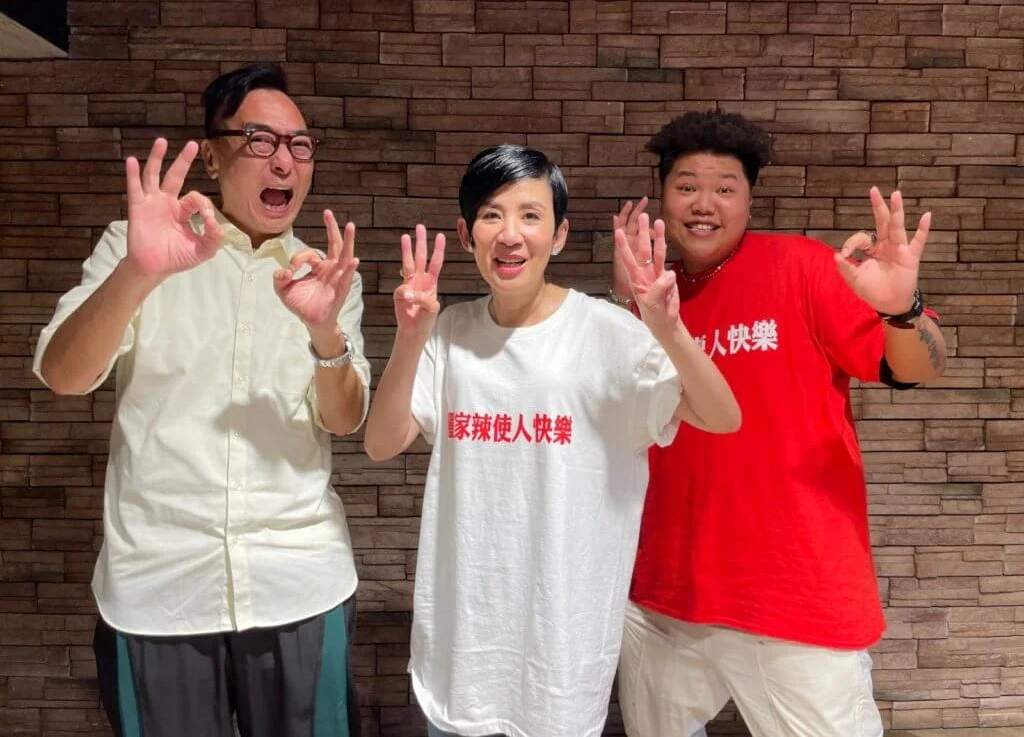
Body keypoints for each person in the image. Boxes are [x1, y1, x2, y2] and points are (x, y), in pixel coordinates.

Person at [33, 64, 370, 737]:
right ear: (212, 158)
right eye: (259, 140)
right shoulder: (138, 249)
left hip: (299, 579)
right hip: (159, 584)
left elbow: (344, 418)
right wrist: (139, 272)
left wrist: (325, 331)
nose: (284, 161)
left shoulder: (324, 274)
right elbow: (63, 375)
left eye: (300, 145)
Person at [363, 145, 740, 737]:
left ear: (559, 235)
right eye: (491, 215)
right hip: (461, 658)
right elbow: (382, 444)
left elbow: (722, 416)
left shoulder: (607, 333)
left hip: (558, 660)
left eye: (531, 215)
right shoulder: (449, 332)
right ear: (465, 235)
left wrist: (668, 329)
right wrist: (411, 338)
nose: (510, 234)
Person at [610, 109, 948, 737]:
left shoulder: (803, 267)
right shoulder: (651, 296)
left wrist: (903, 311)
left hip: (796, 595)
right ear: (663, 196)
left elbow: (913, 369)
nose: (704, 203)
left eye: (725, 188)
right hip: (666, 598)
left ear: (749, 199)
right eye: (686, 186)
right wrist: (623, 305)